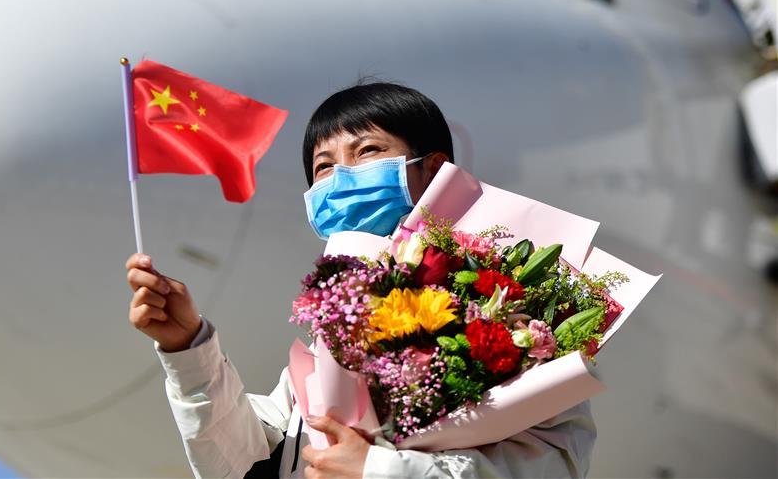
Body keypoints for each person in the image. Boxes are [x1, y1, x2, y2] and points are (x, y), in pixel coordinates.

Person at [126, 82, 597, 478]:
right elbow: (244, 463)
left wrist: (380, 471)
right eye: (324, 166)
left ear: (434, 170)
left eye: (367, 151)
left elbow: (550, 466)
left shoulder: (509, 308)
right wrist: (188, 348)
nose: (342, 177)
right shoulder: (329, 337)